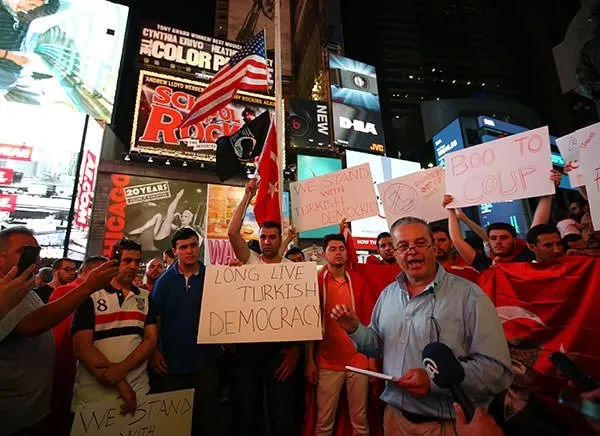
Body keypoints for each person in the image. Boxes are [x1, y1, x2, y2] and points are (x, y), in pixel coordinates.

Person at [330, 217, 512, 435]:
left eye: (420, 243)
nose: (412, 251)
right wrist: (354, 329)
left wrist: (433, 379)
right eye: (403, 246)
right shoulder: (388, 295)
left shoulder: (469, 296)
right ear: (395, 254)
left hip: (447, 425)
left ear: (434, 248)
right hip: (395, 420)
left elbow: (496, 371)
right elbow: (377, 347)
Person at [0, 226, 118, 435]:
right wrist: (87, 287)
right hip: (13, 417)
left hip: (35, 409)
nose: (35, 259)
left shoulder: (25, 289)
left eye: (36, 252)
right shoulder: (5, 291)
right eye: (25, 252)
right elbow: (33, 324)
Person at [227, 178, 301, 436]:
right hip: (248, 351)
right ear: (258, 240)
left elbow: (299, 315)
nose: (267, 241)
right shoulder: (250, 262)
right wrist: (247, 195)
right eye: (263, 237)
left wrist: (294, 351)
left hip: (280, 352)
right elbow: (232, 233)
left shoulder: (292, 271)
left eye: (272, 237)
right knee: (248, 411)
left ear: (281, 240)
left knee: (282, 412)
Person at [71, 240, 157, 416]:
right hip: (93, 398)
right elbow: (82, 347)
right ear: (114, 262)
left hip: (139, 391)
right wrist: (120, 382)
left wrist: (122, 368)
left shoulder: (146, 298)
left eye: (137, 261)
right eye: (127, 261)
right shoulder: (90, 295)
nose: (133, 266)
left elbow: (150, 340)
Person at [151, 227, 221, 436]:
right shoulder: (163, 282)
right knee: (173, 424)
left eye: (192, 245)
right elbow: (154, 319)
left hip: (206, 361)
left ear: (198, 247)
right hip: (171, 363)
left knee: (205, 419)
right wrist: (154, 350)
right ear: (175, 251)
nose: (189, 251)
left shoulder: (214, 277)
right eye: (183, 247)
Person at [307, 234, 373, 436]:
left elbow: (369, 320)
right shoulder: (316, 282)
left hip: (358, 360)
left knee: (360, 422)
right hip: (327, 361)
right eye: (333, 249)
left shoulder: (359, 281)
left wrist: (371, 360)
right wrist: (310, 361)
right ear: (324, 254)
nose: (338, 252)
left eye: (341, 248)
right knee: (324, 423)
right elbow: (309, 325)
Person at [48, 255, 107, 436]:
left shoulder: (102, 295)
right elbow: (59, 339)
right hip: (67, 372)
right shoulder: (67, 292)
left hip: (82, 374)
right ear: (92, 272)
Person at [0, 0, 59, 102]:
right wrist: (12, 56)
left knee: (41, 104)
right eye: (32, 4)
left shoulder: (27, 14)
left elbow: (53, 7)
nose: (33, 8)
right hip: (2, 71)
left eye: (36, 6)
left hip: (19, 73)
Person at [128, 189, 202, 252]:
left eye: (186, 216)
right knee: (158, 216)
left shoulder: (189, 229)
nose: (182, 218)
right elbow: (170, 225)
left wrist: (178, 197)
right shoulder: (178, 227)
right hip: (160, 240)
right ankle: (139, 231)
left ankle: (177, 197)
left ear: (190, 219)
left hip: (163, 242)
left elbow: (201, 239)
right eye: (182, 216)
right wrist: (176, 215)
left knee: (168, 217)